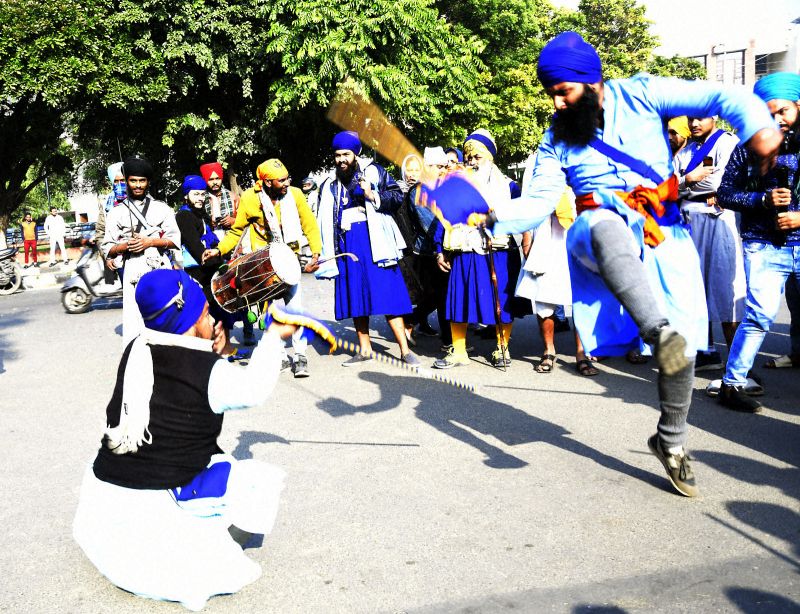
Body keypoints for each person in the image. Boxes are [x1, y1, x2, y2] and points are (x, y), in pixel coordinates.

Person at [485, 31, 780, 497]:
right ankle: (656, 331)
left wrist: (759, 129)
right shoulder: (553, 140)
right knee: (603, 223)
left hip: (666, 239)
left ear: (592, 80)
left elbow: (723, 95)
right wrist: (493, 215)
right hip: (595, 238)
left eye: (563, 91)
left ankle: (671, 441)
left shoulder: (643, 93)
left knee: (679, 353)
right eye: (551, 94)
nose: (557, 104)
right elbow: (539, 201)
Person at [73, 268, 296, 611]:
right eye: (205, 313)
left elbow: (180, 371)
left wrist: (212, 353)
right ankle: (203, 541)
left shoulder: (137, 348)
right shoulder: (209, 371)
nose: (211, 318)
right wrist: (273, 338)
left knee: (214, 459)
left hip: (109, 494)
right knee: (259, 479)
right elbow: (254, 390)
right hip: (158, 497)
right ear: (190, 322)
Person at [715, 72, 800, 412]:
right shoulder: (746, 147)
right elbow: (725, 193)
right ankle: (733, 383)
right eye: (768, 113)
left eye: (783, 111)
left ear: (798, 106)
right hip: (762, 244)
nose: (777, 120)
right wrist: (762, 201)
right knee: (760, 315)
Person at [208, 158, 322, 378]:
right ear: (267, 182)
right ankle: (277, 354)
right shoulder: (250, 198)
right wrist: (219, 250)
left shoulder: (295, 194)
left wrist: (315, 251)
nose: (287, 183)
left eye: (287, 178)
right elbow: (236, 230)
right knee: (266, 312)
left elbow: (309, 223)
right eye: (282, 180)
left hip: (290, 258)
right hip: (262, 264)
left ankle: (299, 355)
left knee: (294, 308)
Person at [315, 130, 420, 367]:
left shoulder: (375, 171)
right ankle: (364, 350)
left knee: (388, 293)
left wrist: (372, 194)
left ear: (356, 154)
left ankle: (404, 350)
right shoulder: (329, 184)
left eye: (346, 154)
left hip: (375, 240)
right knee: (356, 295)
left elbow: (395, 197)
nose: (341, 159)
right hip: (346, 242)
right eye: (337, 155)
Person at [433, 129, 527, 369]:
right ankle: (459, 351)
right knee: (459, 300)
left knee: (501, 301)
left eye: (477, 157)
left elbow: (523, 217)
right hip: (463, 251)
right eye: (468, 157)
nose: (472, 162)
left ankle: (502, 348)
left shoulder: (509, 187)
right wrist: (439, 250)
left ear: (489, 157)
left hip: (498, 251)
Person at [675, 116, 743, 371]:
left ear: (713, 117)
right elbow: (671, 185)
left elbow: (720, 182)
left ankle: (738, 361)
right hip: (689, 218)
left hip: (719, 218)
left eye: (700, 118)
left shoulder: (727, 143)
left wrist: (686, 183)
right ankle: (706, 350)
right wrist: (689, 179)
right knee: (694, 286)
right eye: (691, 119)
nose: (694, 124)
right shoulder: (687, 150)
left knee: (726, 285)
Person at [515, 185, 597, 376]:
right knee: (544, 296)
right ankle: (549, 350)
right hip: (547, 238)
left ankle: (581, 353)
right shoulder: (542, 166)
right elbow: (530, 202)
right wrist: (527, 238)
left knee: (581, 298)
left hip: (579, 236)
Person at [101, 156, 180, 345]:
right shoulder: (116, 212)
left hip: (159, 265)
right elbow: (108, 247)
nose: (138, 185)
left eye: (142, 181)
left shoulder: (162, 208)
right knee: (134, 318)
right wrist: (126, 246)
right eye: (133, 180)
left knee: (165, 315)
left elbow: (174, 240)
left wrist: (150, 242)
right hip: (132, 270)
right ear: (127, 181)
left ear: (148, 182)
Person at [175, 174, 239, 358]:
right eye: (196, 194)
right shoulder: (184, 216)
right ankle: (210, 352)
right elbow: (197, 250)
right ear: (186, 195)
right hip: (197, 271)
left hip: (209, 267)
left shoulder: (199, 215)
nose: (200, 198)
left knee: (222, 309)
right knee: (207, 313)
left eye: (203, 194)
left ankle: (224, 348)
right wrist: (220, 262)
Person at [95, 162, 127, 285]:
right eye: (116, 181)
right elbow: (100, 233)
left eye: (123, 180)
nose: (120, 185)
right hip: (119, 260)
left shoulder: (139, 198)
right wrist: (107, 255)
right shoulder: (106, 204)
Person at [200, 162, 237, 240]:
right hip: (210, 243)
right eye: (211, 179)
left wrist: (233, 221)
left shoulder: (233, 197)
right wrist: (208, 223)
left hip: (232, 240)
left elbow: (245, 220)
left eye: (217, 178)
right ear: (205, 180)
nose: (215, 182)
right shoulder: (200, 199)